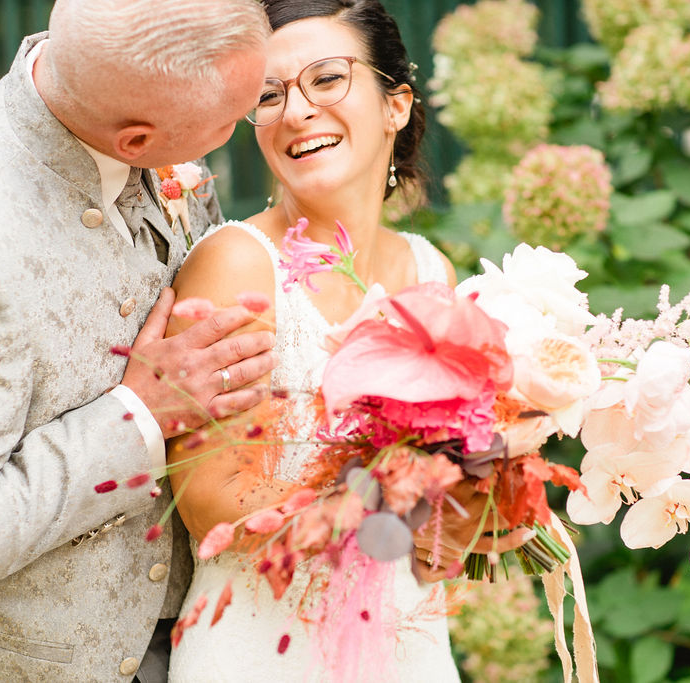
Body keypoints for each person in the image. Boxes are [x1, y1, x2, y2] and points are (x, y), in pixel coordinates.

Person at [0, 1, 276, 681]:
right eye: (228, 121)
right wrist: (140, 417)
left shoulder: (100, 78)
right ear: (135, 142)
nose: (248, 125)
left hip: (209, 639)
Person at [164, 1, 529, 679]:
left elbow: (442, 515)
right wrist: (381, 483)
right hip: (257, 647)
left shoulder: (429, 271)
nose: (295, 111)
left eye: (326, 79)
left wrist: (493, 491)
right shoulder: (237, 264)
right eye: (268, 96)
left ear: (396, 105)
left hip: (405, 643)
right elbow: (211, 498)